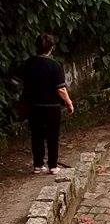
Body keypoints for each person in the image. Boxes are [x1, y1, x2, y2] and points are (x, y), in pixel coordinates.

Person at [21, 33, 74, 174]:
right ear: (52, 47)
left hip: (34, 106)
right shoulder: (54, 65)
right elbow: (60, 89)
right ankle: (53, 166)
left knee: (36, 135)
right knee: (52, 136)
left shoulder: (28, 63)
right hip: (52, 107)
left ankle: (38, 165)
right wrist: (69, 103)